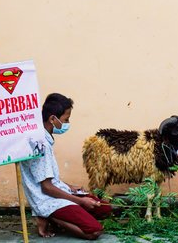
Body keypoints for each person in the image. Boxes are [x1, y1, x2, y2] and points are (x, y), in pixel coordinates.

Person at [20, 93, 112, 240]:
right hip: (48, 200)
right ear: (52, 119)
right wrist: (80, 201)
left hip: (56, 191)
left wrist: (69, 187)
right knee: (94, 231)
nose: (67, 123)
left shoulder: (46, 138)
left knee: (104, 208)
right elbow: (46, 188)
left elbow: (48, 177)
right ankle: (50, 217)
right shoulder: (40, 144)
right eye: (66, 119)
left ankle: (68, 215)